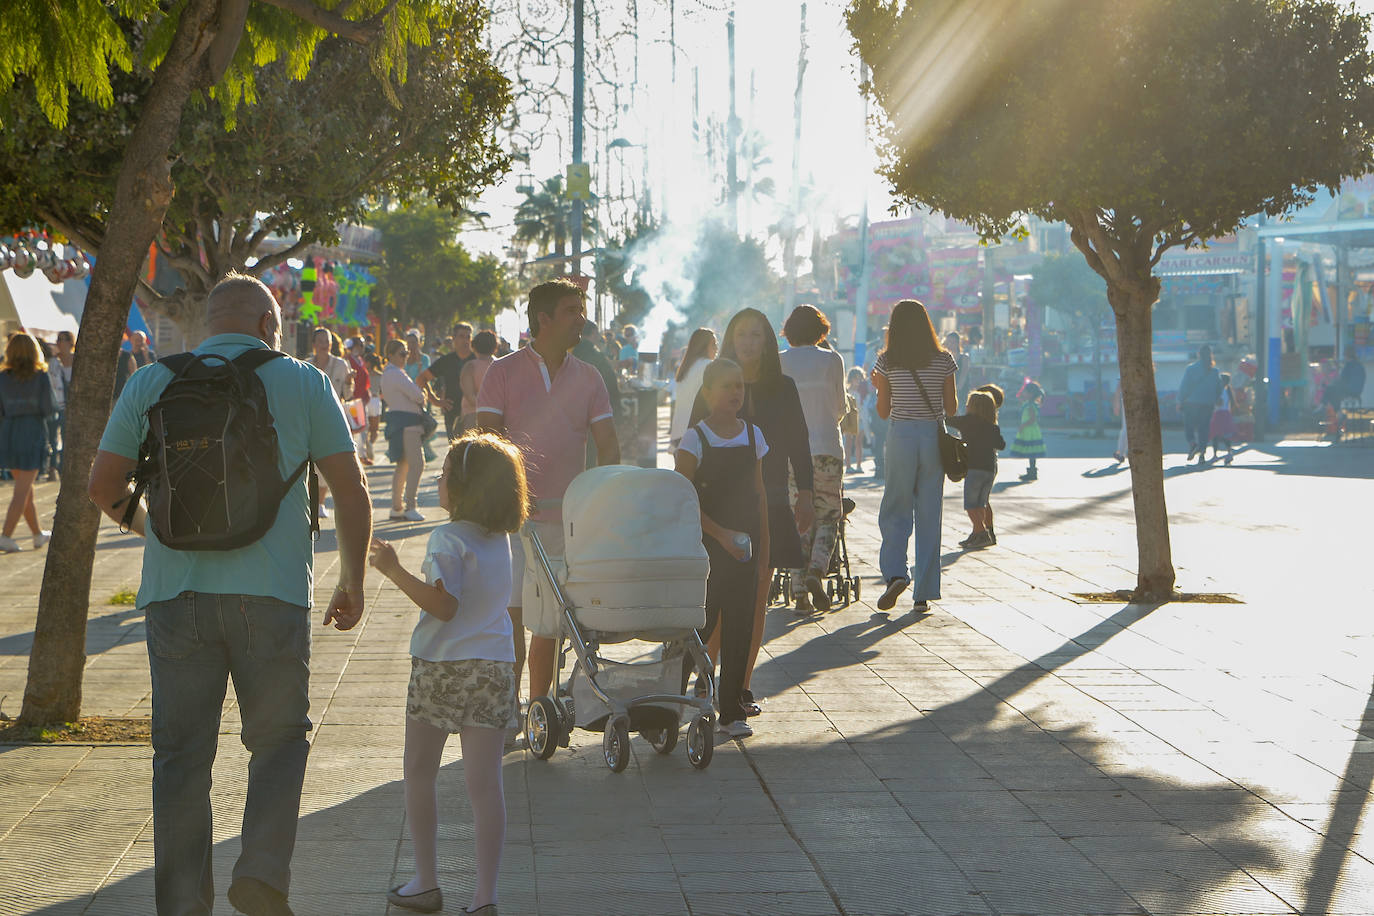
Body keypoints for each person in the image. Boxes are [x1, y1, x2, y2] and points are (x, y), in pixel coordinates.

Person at [87, 272, 372, 916]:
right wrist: (351, 579)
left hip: (176, 594)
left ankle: (183, 904)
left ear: (209, 325)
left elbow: (103, 485)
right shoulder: (304, 381)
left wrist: (157, 531)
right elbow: (351, 493)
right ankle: (262, 875)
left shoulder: (153, 380)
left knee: (181, 756)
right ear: (271, 325)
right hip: (269, 595)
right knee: (277, 741)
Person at [369, 432, 526, 916]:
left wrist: (394, 570)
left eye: (443, 474)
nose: (437, 480)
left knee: (419, 772)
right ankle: (485, 897)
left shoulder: (446, 538)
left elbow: (443, 605)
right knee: (486, 786)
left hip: (441, 669)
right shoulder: (501, 540)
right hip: (493, 666)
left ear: (461, 487)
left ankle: (426, 881)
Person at [476, 278, 619, 704]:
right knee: (511, 619)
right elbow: (487, 443)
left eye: (581, 309)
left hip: (567, 522)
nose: (582, 320)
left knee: (550, 623)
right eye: (573, 311)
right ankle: (506, 709)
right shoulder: (501, 372)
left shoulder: (590, 377)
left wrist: (597, 499)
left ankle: (540, 707)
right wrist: (507, 495)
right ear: (544, 319)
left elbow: (609, 445)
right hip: (509, 524)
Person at [691, 308, 812, 717]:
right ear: (731, 338)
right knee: (714, 600)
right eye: (741, 334)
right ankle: (706, 678)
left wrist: (808, 493)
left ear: (767, 341)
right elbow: (693, 438)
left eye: (756, 335)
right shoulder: (710, 385)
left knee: (756, 596)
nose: (748, 342)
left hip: (768, 499)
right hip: (716, 510)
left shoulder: (783, 387)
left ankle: (740, 686)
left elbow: (799, 440)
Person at [675, 358, 769, 739]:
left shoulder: (754, 436)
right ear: (708, 392)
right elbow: (683, 499)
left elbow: (760, 496)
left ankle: (730, 711)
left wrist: (763, 550)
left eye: (740, 386)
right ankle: (668, 701)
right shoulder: (694, 438)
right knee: (698, 627)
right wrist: (720, 534)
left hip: (745, 552)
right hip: (707, 553)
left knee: (740, 628)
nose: (735, 393)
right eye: (727, 386)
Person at [870, 299, 957, 614]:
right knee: (929, 512)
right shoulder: (944, 359)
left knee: (896, 507)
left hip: (901, 435)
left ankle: (895, 573)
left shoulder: (886, 361)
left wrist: (878, 385)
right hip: (932, 437)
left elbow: (882, 412)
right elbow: (952, 408)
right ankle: (924, 592)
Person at [779, 305, 847, 614]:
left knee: (799, 516)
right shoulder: (832, 360)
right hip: (828, 449)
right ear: (821, 330)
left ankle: (798, 590)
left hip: (792, 453)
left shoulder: (779, 361)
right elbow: (840, 407)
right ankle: (817, 570)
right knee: (829, 515)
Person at [0, 333, 54, 552]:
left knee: (25, 488)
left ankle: (37, 534)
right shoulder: (41, 376)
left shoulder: (3, 377)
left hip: (9, 431)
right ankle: (5, 535)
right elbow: (49, 408)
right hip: (32, 430)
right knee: (22, 490)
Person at [380, 339, 431, 522]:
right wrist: (422, 395)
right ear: (391, 354)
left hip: (398, 423)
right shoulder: (396, 374)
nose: (405, 357)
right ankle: (410, 506)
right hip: (409, 424)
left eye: (406, 353)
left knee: (403, 465)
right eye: (402, 353)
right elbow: (417, 395)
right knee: (417, 464)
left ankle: (397, 507)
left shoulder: (388, 373)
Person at [947, 390, 1005, 548]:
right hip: (989, 469)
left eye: (968, 403)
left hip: (974, 467)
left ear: (972, 407)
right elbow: (1001, 445)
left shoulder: (967, 421)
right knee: (981, 503)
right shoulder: (992, 426)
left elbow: (947, 421)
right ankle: (976, 534)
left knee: (971, 504)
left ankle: (981, 532)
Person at [308, 328, 354, 518]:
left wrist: (350, 383)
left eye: (327, 340)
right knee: (310, 462)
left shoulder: (341, 364)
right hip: (311, 418)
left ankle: (320, 503)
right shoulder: (306, 365)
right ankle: (310, 501)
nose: (324, 344)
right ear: (314, 343)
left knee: (327, 460)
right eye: (320, 340)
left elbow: (348, 395)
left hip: (333, 418)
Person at [417, 323, 474, 441]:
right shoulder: (446, 361)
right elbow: (421, 379)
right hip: (452, 412)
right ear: (454, 339)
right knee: (455, 454)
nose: (465, 341)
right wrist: (435, 400)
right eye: (461, 336)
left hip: (474, 413)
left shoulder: (477, 360)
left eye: (468, 337)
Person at [669, 328, 717, 450]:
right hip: (696, 434)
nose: (717, 348)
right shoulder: (708, 366)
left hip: (679, 432)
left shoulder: (685, 368)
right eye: (714, 344)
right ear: (703, 346)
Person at [1178, 345, 1221, 463]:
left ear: (1199, 354)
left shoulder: (1191, 369)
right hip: (1208, 404)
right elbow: (1219, 388)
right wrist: (1215, 399)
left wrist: (1180, 400)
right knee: (1204, 428)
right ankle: (1202, 453)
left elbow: (1184, 387)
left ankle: (1192, 443)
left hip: (1191, 403)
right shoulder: (1214, 371)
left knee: (1189, 426)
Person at [45, 329, 74, 481]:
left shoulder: (77, 361)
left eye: (62, 339)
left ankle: (63, 468)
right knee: (52, 437)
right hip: (55, 405)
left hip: (71, 406)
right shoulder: (53, 363)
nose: (59, 343)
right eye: (58, 340)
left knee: (66, 437)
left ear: (70, 342)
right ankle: (52, 469)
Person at [458, 330, 499, 432]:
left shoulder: (470, 366)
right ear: (495, 347)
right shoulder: (502, 366)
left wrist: (484, 409)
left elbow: (469, 395)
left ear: (474, 346)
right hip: (498, 416)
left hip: (473, 415)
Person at [345, 337, 374, 465]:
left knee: (363, 427)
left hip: (362, 398)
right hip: (353, 398)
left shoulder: (360, 360)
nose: (362, 348)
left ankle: (362, 454)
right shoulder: (348, 360)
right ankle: (358, 454)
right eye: (360, 345)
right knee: (356, 427)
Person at [1010, 381, 1046, 480]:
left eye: (1025, 391)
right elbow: (1019, 397)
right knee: (1031, 453)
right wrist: (1021, 393)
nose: (1023, 393)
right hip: (1029, 430)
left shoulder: (1031, 405)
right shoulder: (1028, 403)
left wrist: (1023, 426)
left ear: (1031, 394)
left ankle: (1032, 473)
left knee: (1031, 452)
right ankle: (1032, 472)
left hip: (1030, 431)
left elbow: (1032, 419)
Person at [1208, 372, 1237, 465]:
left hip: (1218, 414)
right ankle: (1229, 453)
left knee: (1215, 435)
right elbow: (1233, 404)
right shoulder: (1228, 390)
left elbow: (1218, 403)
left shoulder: (1220, 391)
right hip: (1226, 414)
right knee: (1226, 435)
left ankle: (1215, 455)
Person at [844, 368, 869, 472]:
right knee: (848, 442)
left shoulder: (861, 392)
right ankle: (848, 466)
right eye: (856, 379)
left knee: (859, 443)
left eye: (860, 379)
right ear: (851, 379)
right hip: (849, 420)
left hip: (860, 419)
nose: (858, 382)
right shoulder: (846, 391)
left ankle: (859, 466)